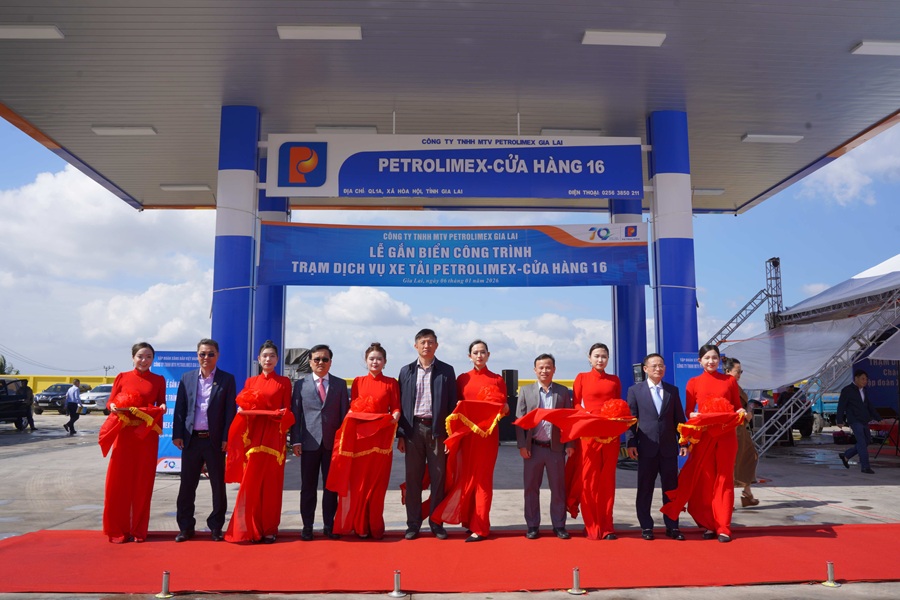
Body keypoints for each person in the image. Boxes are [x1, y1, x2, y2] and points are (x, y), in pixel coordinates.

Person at [660, 344, 745, 543]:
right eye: (707, 358)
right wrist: (695, 416)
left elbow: (737, 407)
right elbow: (689, 412)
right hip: (704, 437)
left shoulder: (730, 381)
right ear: (700, 361)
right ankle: (708, 523)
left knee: (724, 480)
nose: (711, 361)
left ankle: (723, 526)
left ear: (720, 360)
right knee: (706, 481)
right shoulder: (693, 382)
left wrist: (741, 412)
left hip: (726, 436)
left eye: (714, 358)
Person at [432, 339, 509, 542]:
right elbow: (454, 409)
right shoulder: (462, 379)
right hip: (467, 437)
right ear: (469, 356)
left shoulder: (497, 379)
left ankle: (481, 527)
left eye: (483, 352)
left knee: (483, 480)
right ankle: (468, 520)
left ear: (488, 355)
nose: (479, 356)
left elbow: (505, 407)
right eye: (475, 352)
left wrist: (500, 409)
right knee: (465, 477)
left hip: (487, 438)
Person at [326, 342, 400, 539]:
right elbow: (353, 408)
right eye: (371, 359)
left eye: (379, 359)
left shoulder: (391, 383)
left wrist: (395, 417)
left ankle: (374, 525)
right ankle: (359, 526)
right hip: (361, 440)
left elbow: (396, 407)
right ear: (366, 361)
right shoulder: (358, 382)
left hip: (381, 440)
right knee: (358, 484)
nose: (375, 362)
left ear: (385, 362)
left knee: (377, 485)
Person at [225, 340, 295, 543]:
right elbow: (245, 407)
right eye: (265, 356)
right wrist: (242, 410)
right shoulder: (251, 382)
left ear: (277, 359)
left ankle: (269, 528)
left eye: (272, 356)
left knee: (272, 484)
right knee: (251, 482)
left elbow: (288, 411)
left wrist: (281, 414)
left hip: (274, 437)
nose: (268, 359)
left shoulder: (284, 382)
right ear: (259, 359)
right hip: (253, 438)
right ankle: (250, 528)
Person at [98, 342, 166, 543]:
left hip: (146, 437)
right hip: (125, 435)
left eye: (148, 357)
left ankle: (138, 529)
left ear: (153, 359)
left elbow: (161, 402)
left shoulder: (158, 380)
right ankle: (118, 528)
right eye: (140, 356)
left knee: (142, 482)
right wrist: (112, 406)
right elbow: (110, 402)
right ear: (133, 357)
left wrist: (162, 407)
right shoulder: (122, 377)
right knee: (119, 481)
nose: (144, 360)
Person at [172, 338, 237, 542]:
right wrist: (177, 434)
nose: (206, 357)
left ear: (217, 355)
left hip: (214, 441)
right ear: (197, 355)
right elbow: (180, 408)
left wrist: (227, 437)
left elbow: (230, 412)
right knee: (187, 486)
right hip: (191, 440)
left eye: (210, 354)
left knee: (218, 486)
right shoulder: (187, 378)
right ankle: (185, 527)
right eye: (202, 354)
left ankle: (216, 526)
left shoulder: (227, 379)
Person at [397, 328, 457, 540]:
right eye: (423, 342)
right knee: (413, 478)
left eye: (430, 342)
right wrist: (401, 435)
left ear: (436, 346)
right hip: (413, 430)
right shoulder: (406, 371)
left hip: (438, 431)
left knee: (438, 477)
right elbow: (401, 404)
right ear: (416, 346)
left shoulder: (446, 371)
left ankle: (436, 522)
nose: (426, 346)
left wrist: (451, 435)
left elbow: (452, 405)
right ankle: (413, 524)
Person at [290, 344, 350, 541]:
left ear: (330, 362)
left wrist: (344, 443)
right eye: (317, 359)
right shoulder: (301, 385)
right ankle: (307, 526)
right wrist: (296, 441)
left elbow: (344, 416)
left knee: (331, 487)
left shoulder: (340, 385)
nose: (321, 362)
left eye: (325, 359)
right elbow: (296, 415)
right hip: (309, 444)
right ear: (310, 362)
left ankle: (329, 525)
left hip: (333, 445)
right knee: (308, 487)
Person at [625, 353, 688, 540]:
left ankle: (672, 526)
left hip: (668, 448)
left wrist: (683, 441)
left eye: (661, 365)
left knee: (671, 489)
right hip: (646, 448)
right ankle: (646, 526)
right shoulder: (635, 391)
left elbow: (679, 419)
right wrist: (631, 443)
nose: (658, 369)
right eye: (654, 366)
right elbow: (631, 420)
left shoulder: (672, 391)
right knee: (645, 489)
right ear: (645, 369)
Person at [515, 353, 574, 540]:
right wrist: (522, 445)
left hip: (555, 449)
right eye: (541, 367)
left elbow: (569, 420)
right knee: (531, 488)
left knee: (558, 489)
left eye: (548, 367)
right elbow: (519, 421)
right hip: (533, 448)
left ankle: (559, 525)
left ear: (554, 369)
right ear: (535, 370)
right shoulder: (526, 391)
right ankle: (532, 525)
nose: (544, 371)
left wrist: (570, 444)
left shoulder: (563, 392)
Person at [571, 343, 622, 540]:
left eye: (604, 356)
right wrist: (588, 416)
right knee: (589, 480)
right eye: (597, 356)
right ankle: (591, 524)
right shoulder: (582, 378)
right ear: (589, 358)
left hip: (610, 436)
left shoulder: (614, 380)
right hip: (589, 435)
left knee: (607, 481)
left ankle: (607, 526)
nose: (600, 359)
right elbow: (576, 403)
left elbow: (618, 405)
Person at [724, 357, 759, 506]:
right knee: (733, 463)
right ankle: (728, 499)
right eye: (737, 371)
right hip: (733, 430)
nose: (739, 374)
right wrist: (745, 414)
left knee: (750, 457)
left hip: (741, 429)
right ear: (727, 371)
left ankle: (747, 492)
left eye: (740, 372)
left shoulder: (735, 386)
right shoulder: (726, 387)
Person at [837, 369, 881, 474]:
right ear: (856, 378)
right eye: (863, 379)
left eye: (866, 379)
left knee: (866, 441)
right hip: (854, 420)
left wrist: (879, 418)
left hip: (864, 420)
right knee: (861, 442)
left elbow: (869, 406)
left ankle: (846, 455)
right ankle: (865, 467)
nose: (865, 381)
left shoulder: (864, 390)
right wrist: (839, 420)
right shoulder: (847, 390)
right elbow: (841, 406)